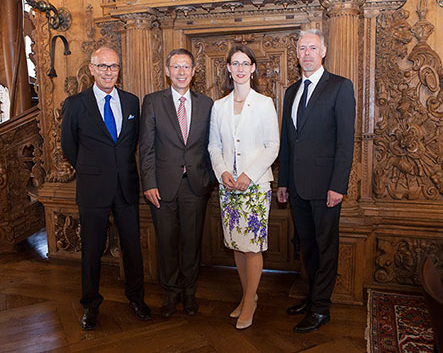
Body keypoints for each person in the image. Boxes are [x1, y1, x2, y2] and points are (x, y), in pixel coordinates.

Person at [61, 46, 150, 330]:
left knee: (132, 248)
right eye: (102, 66)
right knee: (92, 250)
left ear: (118, 70)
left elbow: (131, 142)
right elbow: (68, 146)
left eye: (113, 66)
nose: (108, 72)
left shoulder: (131, 101)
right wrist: (92, 170)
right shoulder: (75, 104)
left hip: (126, 186)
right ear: (91, 69)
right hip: (92, 189)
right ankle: (90, 305)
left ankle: (136, 298)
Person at [277, 29, 356, 333]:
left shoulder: (339, 87)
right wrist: (282, 181)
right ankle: (312, 298)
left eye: (312, 48)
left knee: (325, 248)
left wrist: (338, 185)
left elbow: (345, 143)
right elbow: (288, 140)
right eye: (301, 48)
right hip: (296, 187)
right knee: (307, 247)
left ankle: (322, 309)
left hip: (326, 188)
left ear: (323, 51)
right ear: (296, 54)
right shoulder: (291, 91)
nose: (306, 53)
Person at [208, 45, 279, 330]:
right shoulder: (219, 106)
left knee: (252, 248)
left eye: (244, 63)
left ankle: (250, 302)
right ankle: (248, 294)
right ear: (228, 68)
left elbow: (272, 146)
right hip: (228, 186)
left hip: (255, 186)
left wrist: (249, 174)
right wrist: (222, 171)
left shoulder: (264, 103)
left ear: (252, 68)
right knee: (236, 245)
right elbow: (214, 145)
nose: (239, 68)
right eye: (234, 63)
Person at [139, 49, 213, 318]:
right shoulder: (153, 102)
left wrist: (210, 178)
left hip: (195, 185)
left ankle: (190, 293)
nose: (182, 72)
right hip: (162, 186)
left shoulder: (206, 104)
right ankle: (171, 293)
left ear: (194, 72)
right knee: (167, 243)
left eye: (186, 67)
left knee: (192, 243)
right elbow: (146, 148)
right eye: (176, 67)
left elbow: (213, 145)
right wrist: (148, 183)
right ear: (168, 71)